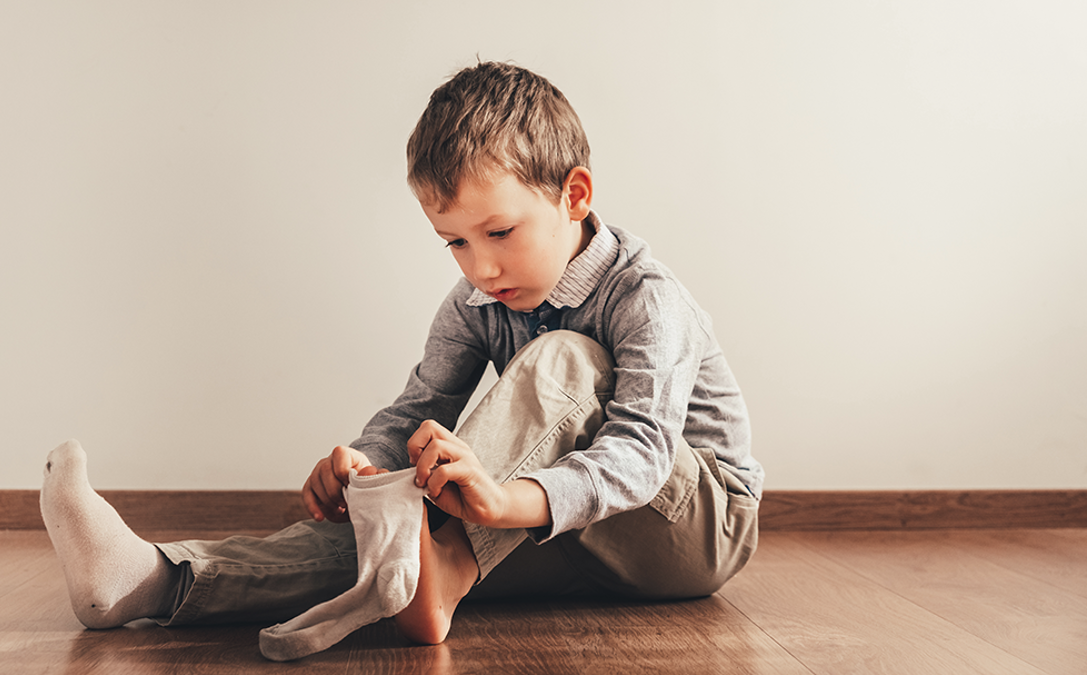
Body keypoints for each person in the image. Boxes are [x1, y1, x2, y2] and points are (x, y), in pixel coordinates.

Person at [39, 60, 762, 658]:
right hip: (567, 527)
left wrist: (503, 503)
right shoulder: (475, 302)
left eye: (500, 231)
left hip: (692, 524)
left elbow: (640, 453)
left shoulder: (644, 298)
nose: (480, 266)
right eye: (455, 242)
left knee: (563, 358)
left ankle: (446, 565)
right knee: (389, 551)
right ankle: (154, 581)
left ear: (573, 195)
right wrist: (364, 467)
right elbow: (419, 408)